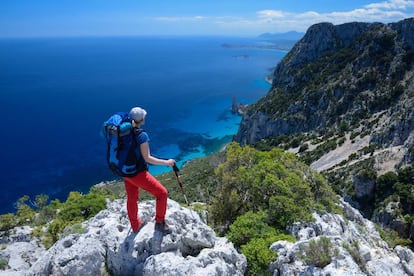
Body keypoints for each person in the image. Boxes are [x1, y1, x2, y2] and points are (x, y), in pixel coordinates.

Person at [123, 106, 175, 234]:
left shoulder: (123, 132)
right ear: (142, 119)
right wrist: (166, 163)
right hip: (137, 173)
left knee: (132, 197)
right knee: (162, 193)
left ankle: (135, 225)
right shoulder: (141, 135)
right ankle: (159, 222)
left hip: (124, 171)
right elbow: (148, 158)